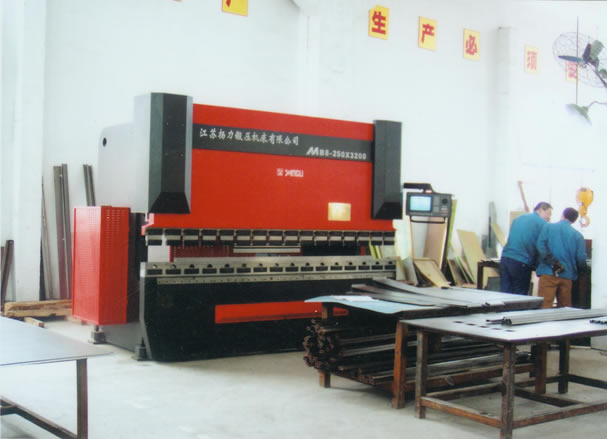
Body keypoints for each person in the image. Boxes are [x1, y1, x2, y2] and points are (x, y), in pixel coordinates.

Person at [536, 207, 587, 308]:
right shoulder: (578, 236)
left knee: (544, 307)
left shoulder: (548, 227)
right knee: (565, 309)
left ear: (562, 215)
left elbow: (540, 246)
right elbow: (581, 258)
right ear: (574, 220)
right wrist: (581, 271)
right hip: (567, 275)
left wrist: (553, 263)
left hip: (548, 273)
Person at [500, 202, 553, 295]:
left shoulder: (518, 218)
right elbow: (542, 246)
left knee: (504, 294)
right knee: (519, 296)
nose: (549, 218)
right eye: (548, 214)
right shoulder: (543, 224)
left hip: (505, 259)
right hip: (521, 262)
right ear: (540, 210)